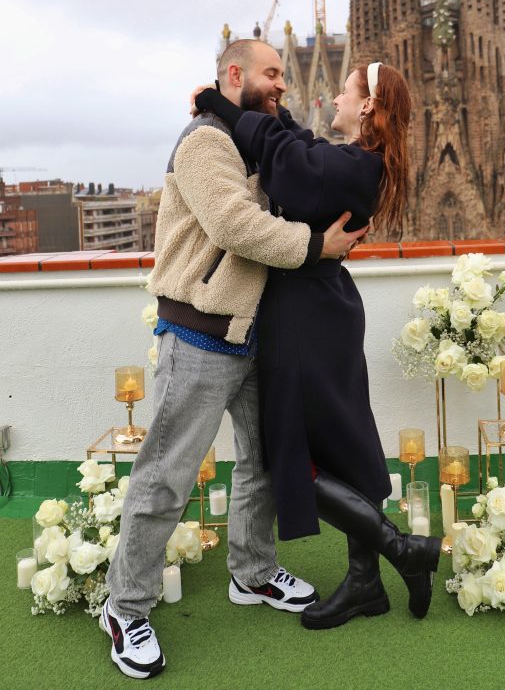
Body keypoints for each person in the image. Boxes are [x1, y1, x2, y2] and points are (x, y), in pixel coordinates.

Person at [101, 39, 365, 679]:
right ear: (235, 74)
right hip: (198, 334)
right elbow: (233, 226)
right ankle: (125, 607)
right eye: (272, 73)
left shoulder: (261, 135)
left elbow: (312, 169)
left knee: (263, 464)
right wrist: (316, 246)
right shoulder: (205, 143)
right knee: (167, 474)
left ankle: (251, 573)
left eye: (282, 74)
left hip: (255, 333)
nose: (282, 84)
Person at [194, 60, 442, 632]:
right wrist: (256, 114)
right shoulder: (354, 161)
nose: (333, 96)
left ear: (367, 107)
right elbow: (299, 145)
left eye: (345, 91)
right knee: (344, 448)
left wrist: (221, 103)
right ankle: (366, 583)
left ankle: (400, 551)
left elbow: (286, 158)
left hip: (308, 319)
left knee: (295, 455)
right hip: (320, 310)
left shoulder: (355, 166)